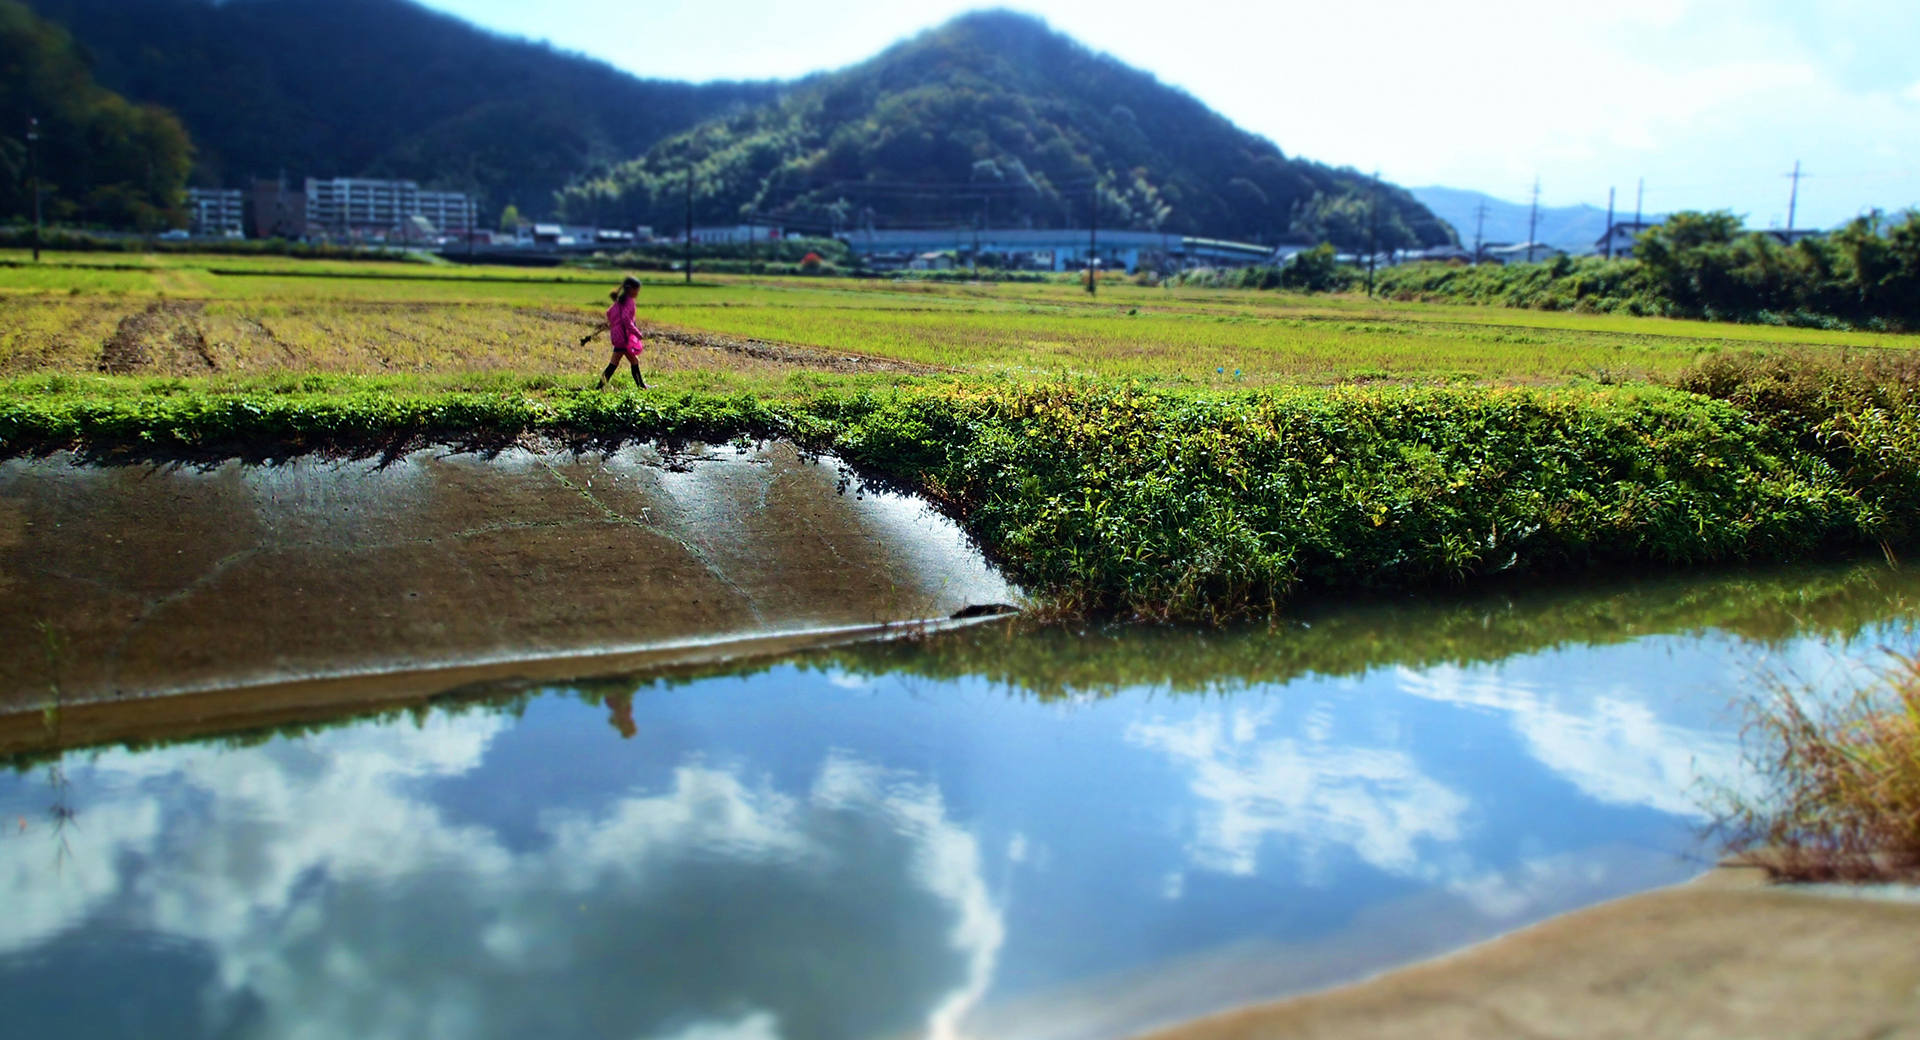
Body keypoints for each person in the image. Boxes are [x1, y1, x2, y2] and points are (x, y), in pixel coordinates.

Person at [599, 275, 648, 389]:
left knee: (632, 361)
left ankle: (641, 386)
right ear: (632, 289)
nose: (638, 292)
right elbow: (626, 319)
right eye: (637, 290)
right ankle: (599, 386)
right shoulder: (629, 301)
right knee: (616, 362)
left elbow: (609, 313)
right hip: (624, 338)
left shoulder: (619, 301)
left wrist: (614, 324)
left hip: (616, 335)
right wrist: (636, 333)